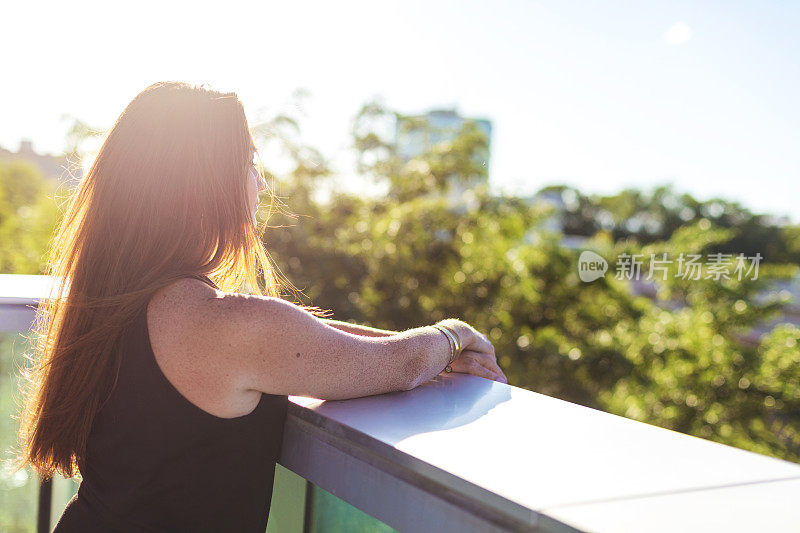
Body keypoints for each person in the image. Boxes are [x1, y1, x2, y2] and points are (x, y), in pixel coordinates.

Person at [16, 81, 506, 532]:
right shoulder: (219, 322)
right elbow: (397, 365)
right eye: (250, 164)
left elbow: (315, 339)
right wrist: (455, 335)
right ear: (204, 183)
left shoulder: (116, 299)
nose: (262, 185)